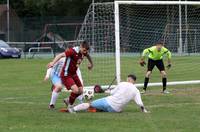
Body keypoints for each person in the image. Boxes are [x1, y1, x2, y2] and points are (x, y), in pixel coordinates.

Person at [68, 74, 148, 113]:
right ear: (134, 81)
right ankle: (98, 109)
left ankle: (73, 109)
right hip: (115, 110)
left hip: (108, 102)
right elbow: (140, 103)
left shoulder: (122, 83)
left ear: (129, 79)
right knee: (102, 109)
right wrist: (144, 111)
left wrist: (106, 90)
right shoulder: (136, 90)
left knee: (90, 104)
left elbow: (112, 93)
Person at [47, 41, 93, 110]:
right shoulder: (72, 51)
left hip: (74, 74)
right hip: (66, 74)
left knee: (80, 91)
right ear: (81, 47)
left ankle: (68, 100)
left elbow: (88, 55)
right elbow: (60, 55)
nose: (85, 52)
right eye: (84, 50)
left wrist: (91, 64)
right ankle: (70, 106)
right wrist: (53, 63)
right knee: (75, 90)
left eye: (86, 51)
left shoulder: (84, 52)